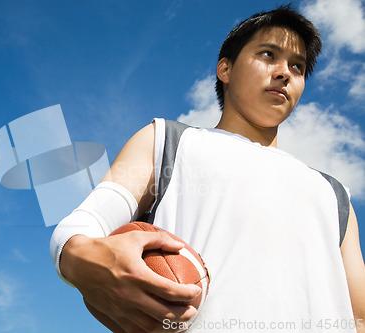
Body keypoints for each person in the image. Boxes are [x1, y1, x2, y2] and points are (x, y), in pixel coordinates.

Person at [50, 5, 365, 333]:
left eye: (297, 67)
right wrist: (84, 260)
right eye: (268, 54)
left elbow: (360, 318)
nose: (285, 72)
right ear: (225, 69)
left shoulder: (334, 192)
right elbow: (80, 228)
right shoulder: (167, 140)